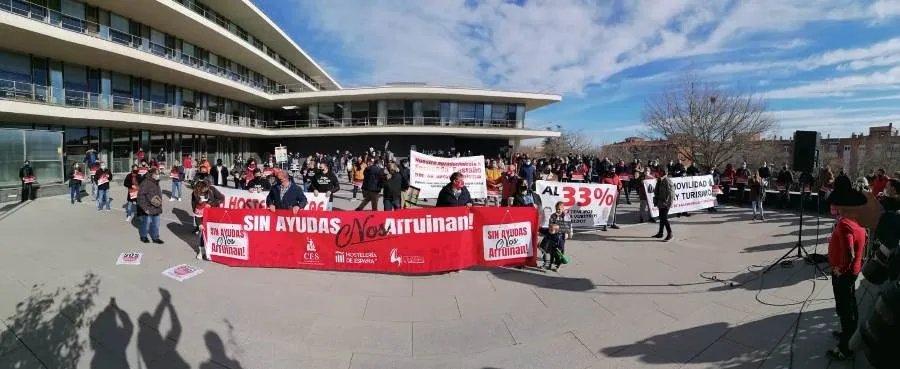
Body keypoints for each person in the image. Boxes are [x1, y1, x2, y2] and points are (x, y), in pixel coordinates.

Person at [192, 181, 224, 260]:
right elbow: (194, 206)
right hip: (201, 215)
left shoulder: (211, 189)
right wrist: (199, 223)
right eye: (205, 188)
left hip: (212, 214)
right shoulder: (195, 193)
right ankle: (201, 251)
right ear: (200, 189)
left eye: (207, 187)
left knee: (213, 232)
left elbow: (221, 198)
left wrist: (211, 204)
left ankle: (213, 251)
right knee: (201, 234)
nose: (207, 189)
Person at [136, 168, 164, 244]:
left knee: (156, 224)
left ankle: (155, 237)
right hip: (148, 208)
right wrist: (145, 208)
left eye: (158, 174)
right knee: (146, 223)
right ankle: (143, 236)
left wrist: (160, 204)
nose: (158, 175)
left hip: (156, 207)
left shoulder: (156, 182)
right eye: (156, 174)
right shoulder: (145, 183)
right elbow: (140, 197)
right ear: (152, 174)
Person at [652, 168, 674, 241]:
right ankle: (660, 233)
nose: (659, 173)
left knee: (664, 218)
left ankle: (670, 233)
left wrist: (669, 203)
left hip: (665, 203)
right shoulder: (660, 180)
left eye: (660, 172)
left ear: (663, 173)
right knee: (661, 218)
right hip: (660, 202)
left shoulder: (667, 181)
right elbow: (657, 191)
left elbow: (671, 193)